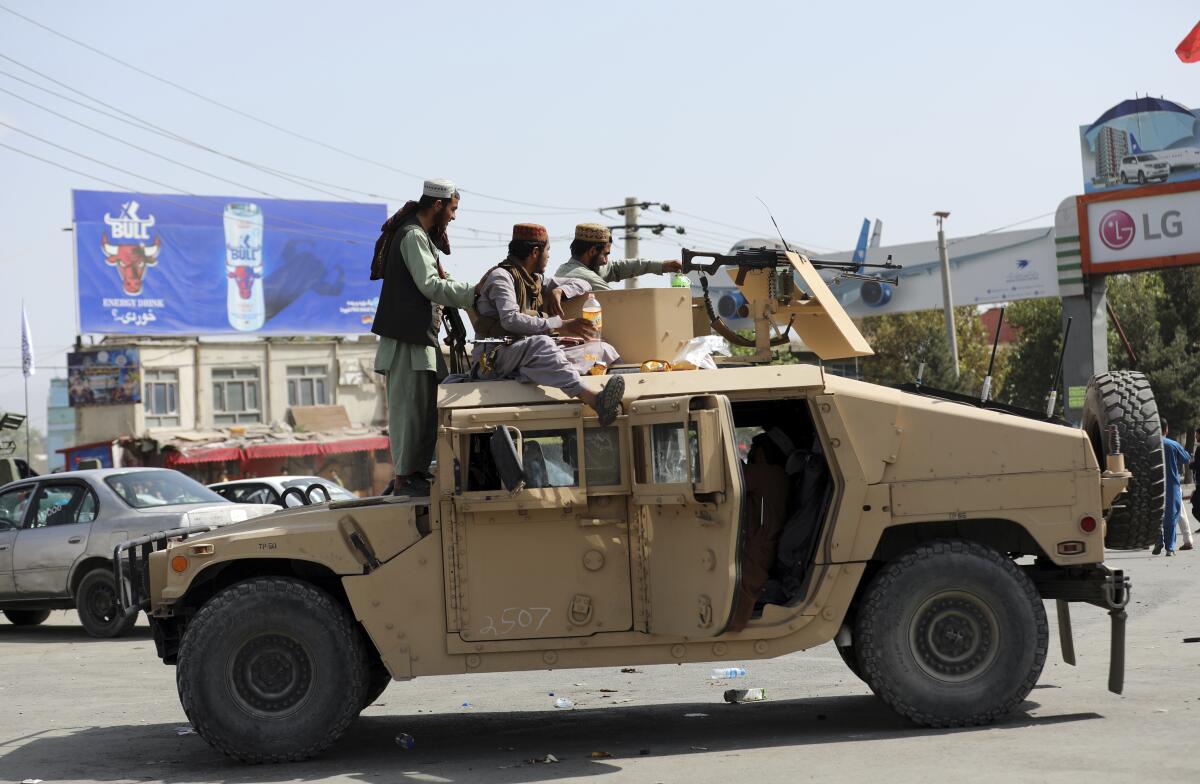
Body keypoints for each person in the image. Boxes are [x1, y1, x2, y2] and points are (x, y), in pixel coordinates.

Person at [370, 178, 476, 496]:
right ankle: (404, 478)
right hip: (404, 340)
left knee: (428, 410)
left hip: (420, 339)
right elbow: (431, 285)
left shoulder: (423, 238)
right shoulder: (413, 235)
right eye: (453, 209)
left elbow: (443, 279)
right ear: (438, 205)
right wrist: (476, 294)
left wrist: (474, 292)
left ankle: (415, 473)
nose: (454, 217)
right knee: (407, 413)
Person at [471, 223, 625, 425]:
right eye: (548, 250)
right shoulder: (501, 277)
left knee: (601, 348)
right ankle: (594, 400)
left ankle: (621, 405)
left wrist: (560, 291)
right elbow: (511, 319)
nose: (549, 255)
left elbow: (584, 283)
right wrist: (559, 324)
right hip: (496, 355)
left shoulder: (535, 280)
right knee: (542, 344)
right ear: (535, 252)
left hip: (525, 353)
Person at [554, 223, 683, 290]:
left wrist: (662, 265)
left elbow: (616, 268)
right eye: (605, 254)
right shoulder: (584, 277)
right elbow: (618, 301)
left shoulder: (579, 268)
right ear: (592, 251)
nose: (606, 261)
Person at [1154, 417, 1192, 556]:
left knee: (1156, 516)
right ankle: (1170, 548)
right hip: (1171, 485)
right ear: (1166, 429)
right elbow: (1186, 458)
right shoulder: (1173, 444)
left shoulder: (1149, 445)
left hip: (1153, 485)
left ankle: (1158, 540)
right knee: (1171, 516)